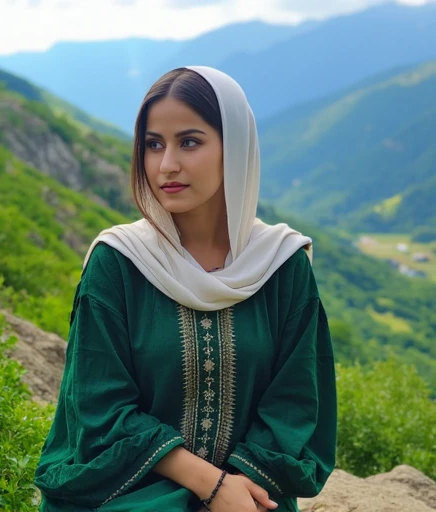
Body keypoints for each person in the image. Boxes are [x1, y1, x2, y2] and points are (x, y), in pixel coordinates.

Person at [34, 66, 337, 512]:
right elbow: (98, 407)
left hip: (252, 496)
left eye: (189, 142)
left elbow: (295, 405)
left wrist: (238, 490)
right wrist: (211, 485)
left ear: (234, 149)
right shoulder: (119, 262)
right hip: (125, 493)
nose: (166, 164)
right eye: (153, 144)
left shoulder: (282, 265)